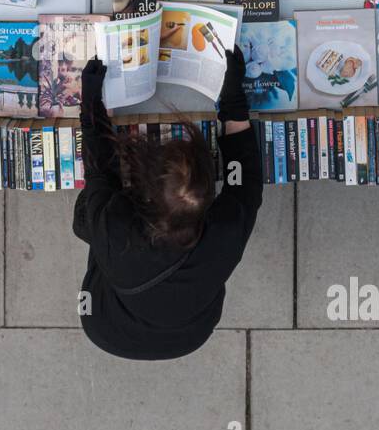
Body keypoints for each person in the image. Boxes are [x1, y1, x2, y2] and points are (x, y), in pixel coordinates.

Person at [74, 47, 261, 361]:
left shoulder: (114, 229)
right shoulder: (226, 230)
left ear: (144, 197)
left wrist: (91, 101)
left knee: (90, 215)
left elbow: (99, 173)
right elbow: (245, 178)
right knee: (97, 218)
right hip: (190, 334)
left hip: (103, 325)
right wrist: (233, 98)